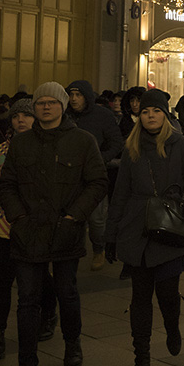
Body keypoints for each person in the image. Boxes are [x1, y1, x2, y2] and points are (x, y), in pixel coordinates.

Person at [0, 82, 108, 366]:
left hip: (65, 232)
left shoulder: (82, 141)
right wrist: (18, 217)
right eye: (40, 102)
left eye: (52, 102)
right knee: (27, 299)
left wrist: (74, 216)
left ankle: (73, 344)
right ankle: (27, 359)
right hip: (27, 231)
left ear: (63, 106)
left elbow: (97, 182)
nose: (46, 107)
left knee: (66, 292)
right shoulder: (21, 143)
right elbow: (6, 184)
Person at [105, 88, 184, 366]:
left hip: (170, 231)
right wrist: (110, 235)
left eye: (156, 111)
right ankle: (142, 355)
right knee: (140, 298)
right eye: (146, 112)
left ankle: (172, 327)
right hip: (136, 231)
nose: (150, 116)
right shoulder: (132, 148)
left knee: (168, 294)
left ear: (165, 115)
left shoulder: (183, 146)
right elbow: (120, 193)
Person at [0, 98, 57, 366]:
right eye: (15, 116)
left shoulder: (47, 148)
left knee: (37, 279)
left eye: (26, 115)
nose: (20, 120)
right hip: (2, 226)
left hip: (35, 227)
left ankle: (48, 314)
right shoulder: (0, 150)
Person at [67, 80, 124, 271]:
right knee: (70, 218)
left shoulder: (102, 115)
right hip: (69, 176)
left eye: (78, 95)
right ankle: (68, 254)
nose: (74, 99)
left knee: (97, 220)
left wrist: (101, 159)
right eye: (71, 95)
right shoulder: (65, 115)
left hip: (93, 176)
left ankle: (99, 248)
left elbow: (116, 142)